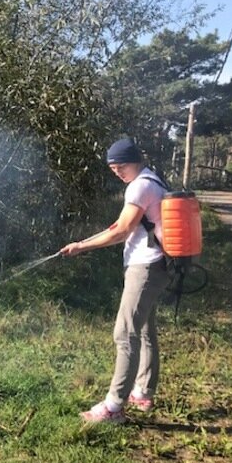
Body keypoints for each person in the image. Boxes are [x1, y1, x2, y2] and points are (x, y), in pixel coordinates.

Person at [60, 138, 170, 423]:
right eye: (113, 168)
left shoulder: (141, 186)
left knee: (125, 333)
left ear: (135, 160)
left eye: (121, 166)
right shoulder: (152, 180)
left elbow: (121, 231)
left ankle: (113, 407)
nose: (118, 172)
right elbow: (120, 227)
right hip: (156, 264)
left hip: (145, 267)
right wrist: (81, 242)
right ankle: (143, 393)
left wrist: (82, 247)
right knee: (144, 329)